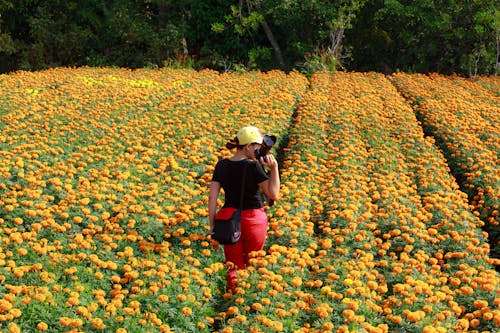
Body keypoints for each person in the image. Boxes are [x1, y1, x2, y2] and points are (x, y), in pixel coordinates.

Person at [208, 126, 280, 293]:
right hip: (253, 220)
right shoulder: (254, 167)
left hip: (228, 220)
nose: (260, 150)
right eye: (257, 147)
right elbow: (273, 194)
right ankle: (247, 301)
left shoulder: (221, 165)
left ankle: (234, 298)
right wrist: (274, 168)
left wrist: (212, 225)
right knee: (253, 264)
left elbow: (212, 198)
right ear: (248, 146)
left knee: (233, 266)